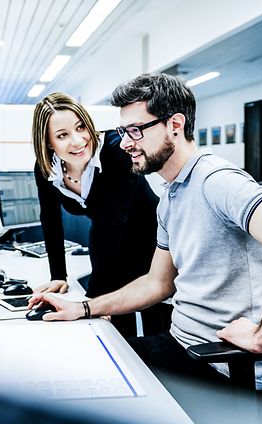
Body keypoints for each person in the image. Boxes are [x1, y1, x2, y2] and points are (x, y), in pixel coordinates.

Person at [29, 75, 262, 389]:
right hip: (178, 347)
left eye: (135, 131)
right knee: (67, 365)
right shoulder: (172, 195)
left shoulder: (217, 181)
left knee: (81, 386)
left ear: (174, 124)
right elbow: (157, 283)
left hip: (216, 365)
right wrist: (84, 308)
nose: (126, 143)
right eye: (123, 131)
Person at [31, 92, 171, 338]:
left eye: (80, 127)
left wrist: (91, 302)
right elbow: (50, 219)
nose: (77, 141)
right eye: (62, 135)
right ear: (48, 142)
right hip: (106, 234)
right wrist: (58, 275)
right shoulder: (47, 168)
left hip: (149, 233)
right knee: (112, 319)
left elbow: (114, 222)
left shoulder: (116, 151)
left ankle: (157, 363)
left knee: (149, 305)